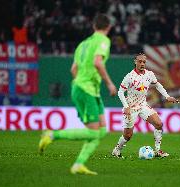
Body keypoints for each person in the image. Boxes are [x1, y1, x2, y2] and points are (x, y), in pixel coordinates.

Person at [38, 14, 117, 175]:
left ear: (94, 26)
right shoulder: (103, 41)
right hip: (86, 90)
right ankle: (52, 134)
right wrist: (109, 83)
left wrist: (80, 84)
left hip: (87, 90)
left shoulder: (83, 44)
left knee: (101, 131)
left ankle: (78, 165)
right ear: (108, 27)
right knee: (94, 132)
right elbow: (97, 62)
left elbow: (73, 69)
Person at [112, 53, 179, 158]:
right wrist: (126, 106)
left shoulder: (149, 74)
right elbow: (120, 92)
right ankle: (117, 150)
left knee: (159, 124)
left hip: (143, 105)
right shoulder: (129, 76)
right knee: (128, 135)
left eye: (144, 62)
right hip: (131, 107)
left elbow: (157, 85)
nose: (142, 64)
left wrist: (167, 96)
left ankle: (157, 150)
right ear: (135, 62)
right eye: (140, 61)